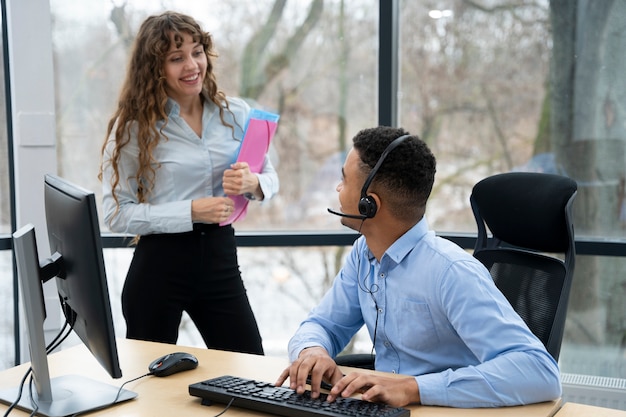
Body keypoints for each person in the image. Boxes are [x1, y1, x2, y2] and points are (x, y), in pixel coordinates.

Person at [276, 126, 561, 407]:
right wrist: (312, 350)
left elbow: (541, 373)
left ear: (369, 204)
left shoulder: (451, 272)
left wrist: (415, 388)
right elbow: (322, 324)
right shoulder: (364, 255)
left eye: (344, 180)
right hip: (383, 410)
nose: (338, 188)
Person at [100, 11, 278, 355]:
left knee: (250, 367)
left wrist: (252, 182)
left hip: (220, 260)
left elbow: (270, 178)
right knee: (146, 384)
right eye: (176, 58)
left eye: (197, 52)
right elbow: (116, 214)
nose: (192, 65)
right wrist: (191, 211)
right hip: (159, 267)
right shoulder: (134, 128)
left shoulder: (236, 114)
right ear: (155, 68)